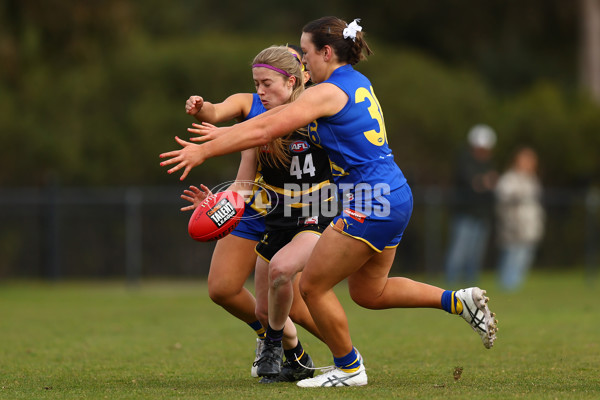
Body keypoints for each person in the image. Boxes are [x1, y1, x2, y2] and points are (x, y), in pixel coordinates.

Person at [160, 16, 498, 388]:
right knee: (370, 292)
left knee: (311, 286)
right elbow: (267, 127)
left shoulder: (325, 92)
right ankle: (458, 301)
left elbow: (265, 127)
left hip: (369, 198)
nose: (302, 62)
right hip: (392, 192)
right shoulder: (356, 82)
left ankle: (349, 368)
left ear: (325, 52)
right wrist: (222, 133)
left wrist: (204, 151)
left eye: (305, 53)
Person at [181, 45, 322, 379]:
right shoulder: (251, 105)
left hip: (305, 213)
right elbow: (218, 120)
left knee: (295, 305)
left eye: (267, 82)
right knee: (222, 288)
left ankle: (346, 356)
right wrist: (217, 205)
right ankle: (275, 342)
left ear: (294, 79)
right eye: (257, 81)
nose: (260, 89)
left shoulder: (317, 112)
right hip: (257, 208)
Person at [444, 124, 498, 285]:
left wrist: (484, 182)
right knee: (459, 252)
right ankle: (450, 284)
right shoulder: (465, 161)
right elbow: (473, 183)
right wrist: (484, 182)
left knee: (475, 254)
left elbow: (489, 183)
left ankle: (471, 286)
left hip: (482, 215)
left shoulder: (488, 163)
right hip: (465, 214)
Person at [495, 147, 544, 291]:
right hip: (514, 227)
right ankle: (506, 289)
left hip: (530, 228)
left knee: (523, 260)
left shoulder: (532, 180)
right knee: (511, 258)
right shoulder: (509, 179)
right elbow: (504, 198)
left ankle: (515, 289)